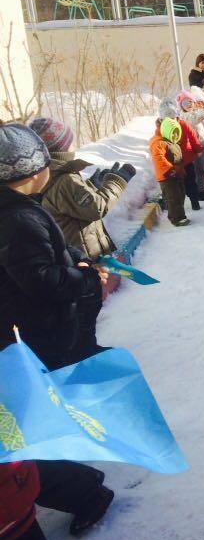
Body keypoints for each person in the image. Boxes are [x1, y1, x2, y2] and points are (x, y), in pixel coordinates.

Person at [0, 123, 109, 369]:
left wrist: (79, 258)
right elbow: (41, 279)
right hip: (45, 336)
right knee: (68, 376)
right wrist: (88, 278)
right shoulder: (18, 219)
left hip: (48, 329)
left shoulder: (22, 208)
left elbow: (52, 247)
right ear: (34, 171)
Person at [31, 117, 135, 262]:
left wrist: (91, 186)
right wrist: (117, 182)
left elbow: (69, 203)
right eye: (70, 142)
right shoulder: (65, 179)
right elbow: (97, 208)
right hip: (86, 256)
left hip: (73, 251)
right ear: (61, 149)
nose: (74, 145)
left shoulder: (51, 173)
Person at [149, 117, 189, 226]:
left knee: (180, 194)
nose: (176, 135)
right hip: (167, 176)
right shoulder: (158, 143)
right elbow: (159, 159)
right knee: (173, 197)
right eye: (173, 132)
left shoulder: (170, 140)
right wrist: (171, 170)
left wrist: (181, 169)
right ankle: (176, 218)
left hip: (176, 173)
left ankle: (179, 214)